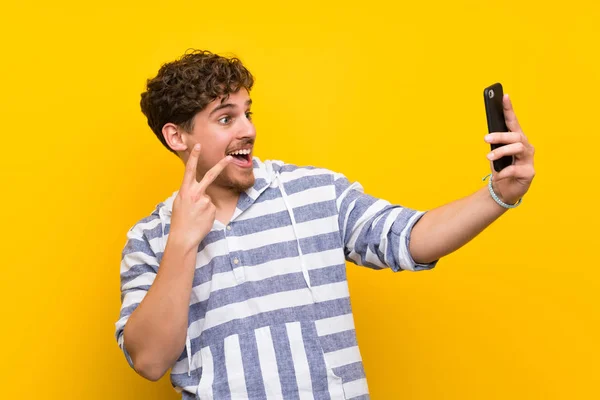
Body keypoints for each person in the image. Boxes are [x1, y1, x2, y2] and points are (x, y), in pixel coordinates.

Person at [115, 49, 535, 399]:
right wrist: (183, 241)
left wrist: (500, 194)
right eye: (226, 119)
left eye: (247, 113)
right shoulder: (149, 238)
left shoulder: (314, 192)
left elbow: (410, 239)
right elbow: (149, 360)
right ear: (177, 137)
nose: (249, 130)